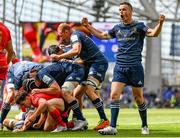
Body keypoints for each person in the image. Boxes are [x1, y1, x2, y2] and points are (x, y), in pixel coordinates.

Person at [81, 2, 165, 135]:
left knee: (138, 99)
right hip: (120, 67)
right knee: (114, 95)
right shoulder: (117, 28)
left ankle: (144, 125)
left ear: (130, 11)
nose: (121, 12)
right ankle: (112, 127)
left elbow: (153, 33)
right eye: (120, 10)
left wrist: (160, 24)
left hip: (135, 67)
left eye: (124, 9)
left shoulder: (139, 26)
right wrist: (88, 27)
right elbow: (103, 35)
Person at [50, 23, 109, 130]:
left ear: (66, 32)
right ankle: (79, 120)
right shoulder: (74, 38)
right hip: (89, 65)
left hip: (98, 64)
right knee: (76, 94)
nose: (60, 38)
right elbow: (80, 58)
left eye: (61, 35)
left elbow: (76, 50)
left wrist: (59, 56)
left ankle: (104, 120)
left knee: (89, 90)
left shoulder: (75, 36)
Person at [22, 59, 88, 131]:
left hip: (74, 71)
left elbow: (55, 91)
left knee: (63, 94)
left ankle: (75, 121)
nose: (34, 88)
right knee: (47, 128)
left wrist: (39, 90)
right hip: (73, 74)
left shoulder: (41, 75)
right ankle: (72, 122)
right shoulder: (42, 80)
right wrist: (39, 123)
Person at [0, 61, 45, 130]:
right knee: (11, 95)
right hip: (14, 72)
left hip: (31, 71)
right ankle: (1, 122)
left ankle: (22, 115)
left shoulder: (43, 73)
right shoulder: (19, 79)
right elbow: (19, 97)